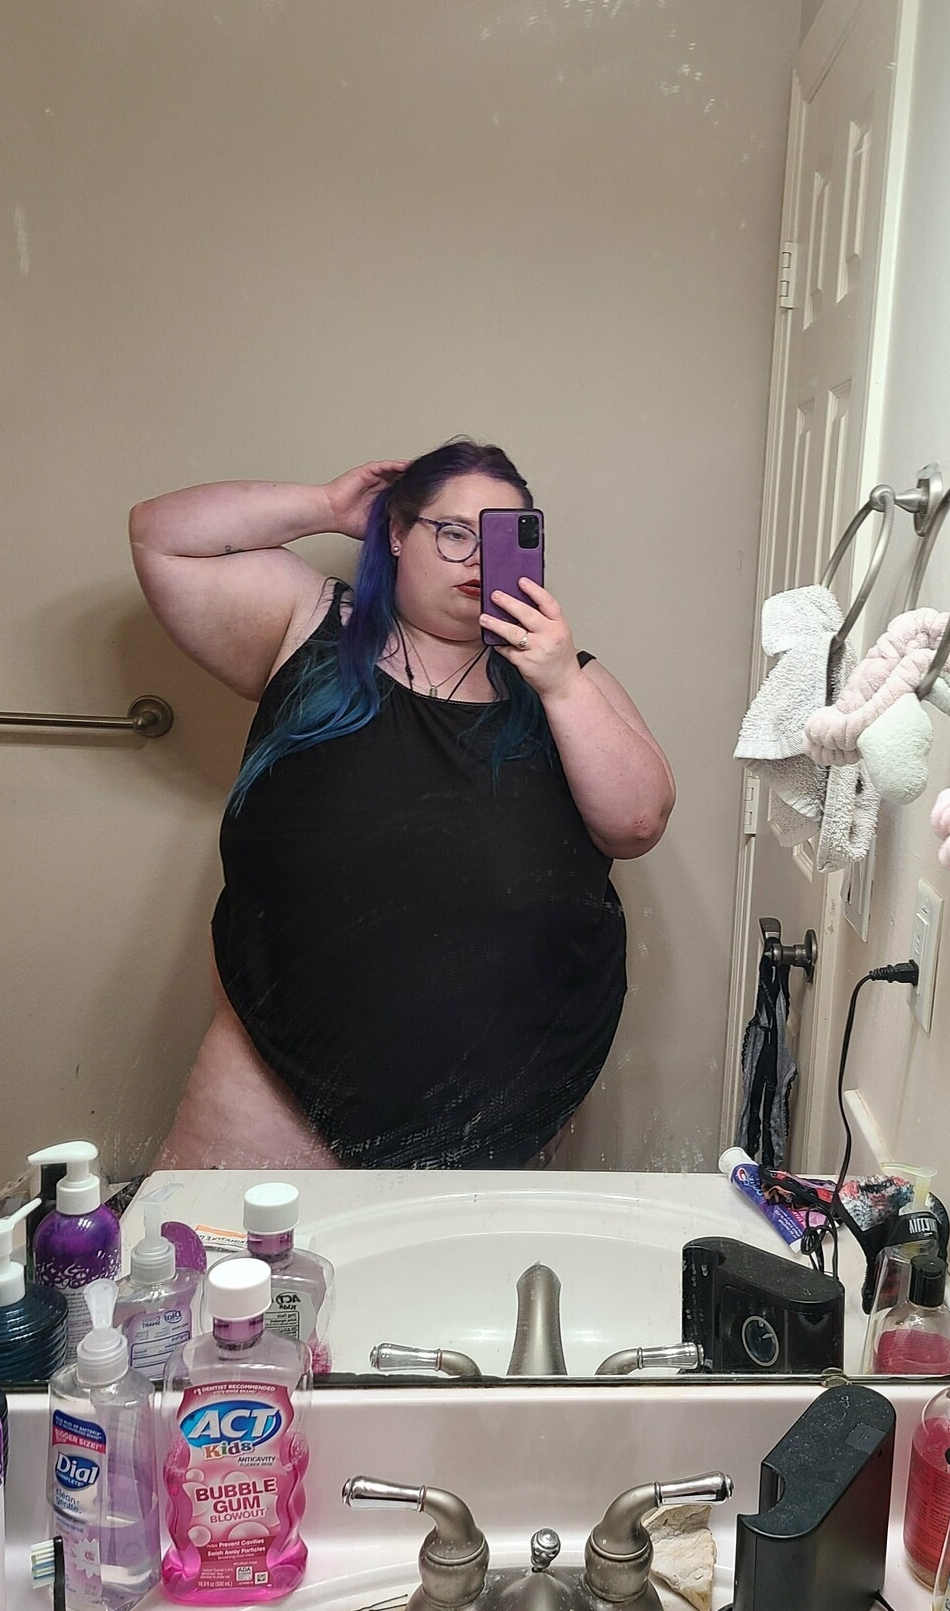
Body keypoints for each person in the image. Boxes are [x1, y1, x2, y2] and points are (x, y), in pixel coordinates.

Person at [130, 437, 674, 1169]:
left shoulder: (566, 679)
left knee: (460, 1253)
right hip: (276, 1076)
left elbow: (637, 822)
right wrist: (326, 506)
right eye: (453, 533)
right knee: (225, 1246)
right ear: (395, 532)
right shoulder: (309, 623)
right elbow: (160, 537)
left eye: (500, 538)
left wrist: (559, 683)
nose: (476, 560)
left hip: (501, 1100)